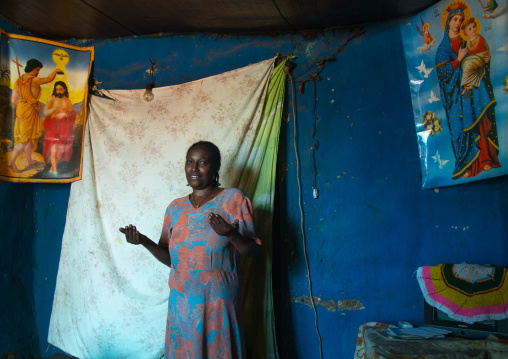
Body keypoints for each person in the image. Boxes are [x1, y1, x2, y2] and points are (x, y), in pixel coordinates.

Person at [120, 141, 260, 359]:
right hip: (183, 305)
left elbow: (253, 251)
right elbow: (174, 260)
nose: (194, 168)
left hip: (218, 304)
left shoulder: (234, 199)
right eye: (190, 162)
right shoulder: (174, 208)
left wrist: (231, 234)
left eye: (202, 162)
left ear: (216, 167)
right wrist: (145, 241)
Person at [435, 1, 500, 180]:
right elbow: (442, 74)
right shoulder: (443, 48)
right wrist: (459, 60)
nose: (457, 23)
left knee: (480, 121)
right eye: (455, 19)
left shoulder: (467, 41)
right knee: (460, 130)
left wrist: (485, 61)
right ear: (448, 21)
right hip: (455, 98)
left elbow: (476, 63)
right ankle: (468, 168)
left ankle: (486, 159)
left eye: (460, 20)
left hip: (472, 92)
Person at [8, 59, 63, 172]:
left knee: (29, 138)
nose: (38, 72)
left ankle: (29, 160)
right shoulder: (33, 80)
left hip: (22, 111)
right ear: (32, 68)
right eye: (37, 70)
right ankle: (11, 162)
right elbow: (48, 79)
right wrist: (55, 71)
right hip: (29, 112)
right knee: (23, 140)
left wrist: (23, 105)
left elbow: (13, 100)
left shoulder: (18, 81)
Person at [42, 81, 76, 174]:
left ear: (64, 89)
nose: (58, 91)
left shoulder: (68, 101)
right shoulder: (51, 99)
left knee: (60, 151)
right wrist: (53, 109)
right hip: (52, 127)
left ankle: (52, 169)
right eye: (57, 89)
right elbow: (45, 113)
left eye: (60, 89)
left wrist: (64, 114)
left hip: (63, 128)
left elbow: (72, 114)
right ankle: (55, 172)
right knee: (54, 150)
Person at [460, 18, 491, 96]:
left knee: (467, 64)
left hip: (481, 57)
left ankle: (466, 84)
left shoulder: (479, 37)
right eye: (470, 29)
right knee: (468, 67)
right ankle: (468, 87)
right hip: (475, 58)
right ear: (466, 32)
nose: (473, 30)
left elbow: (475, 49)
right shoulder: (468, 42)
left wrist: (467, 50)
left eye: (474, 26)